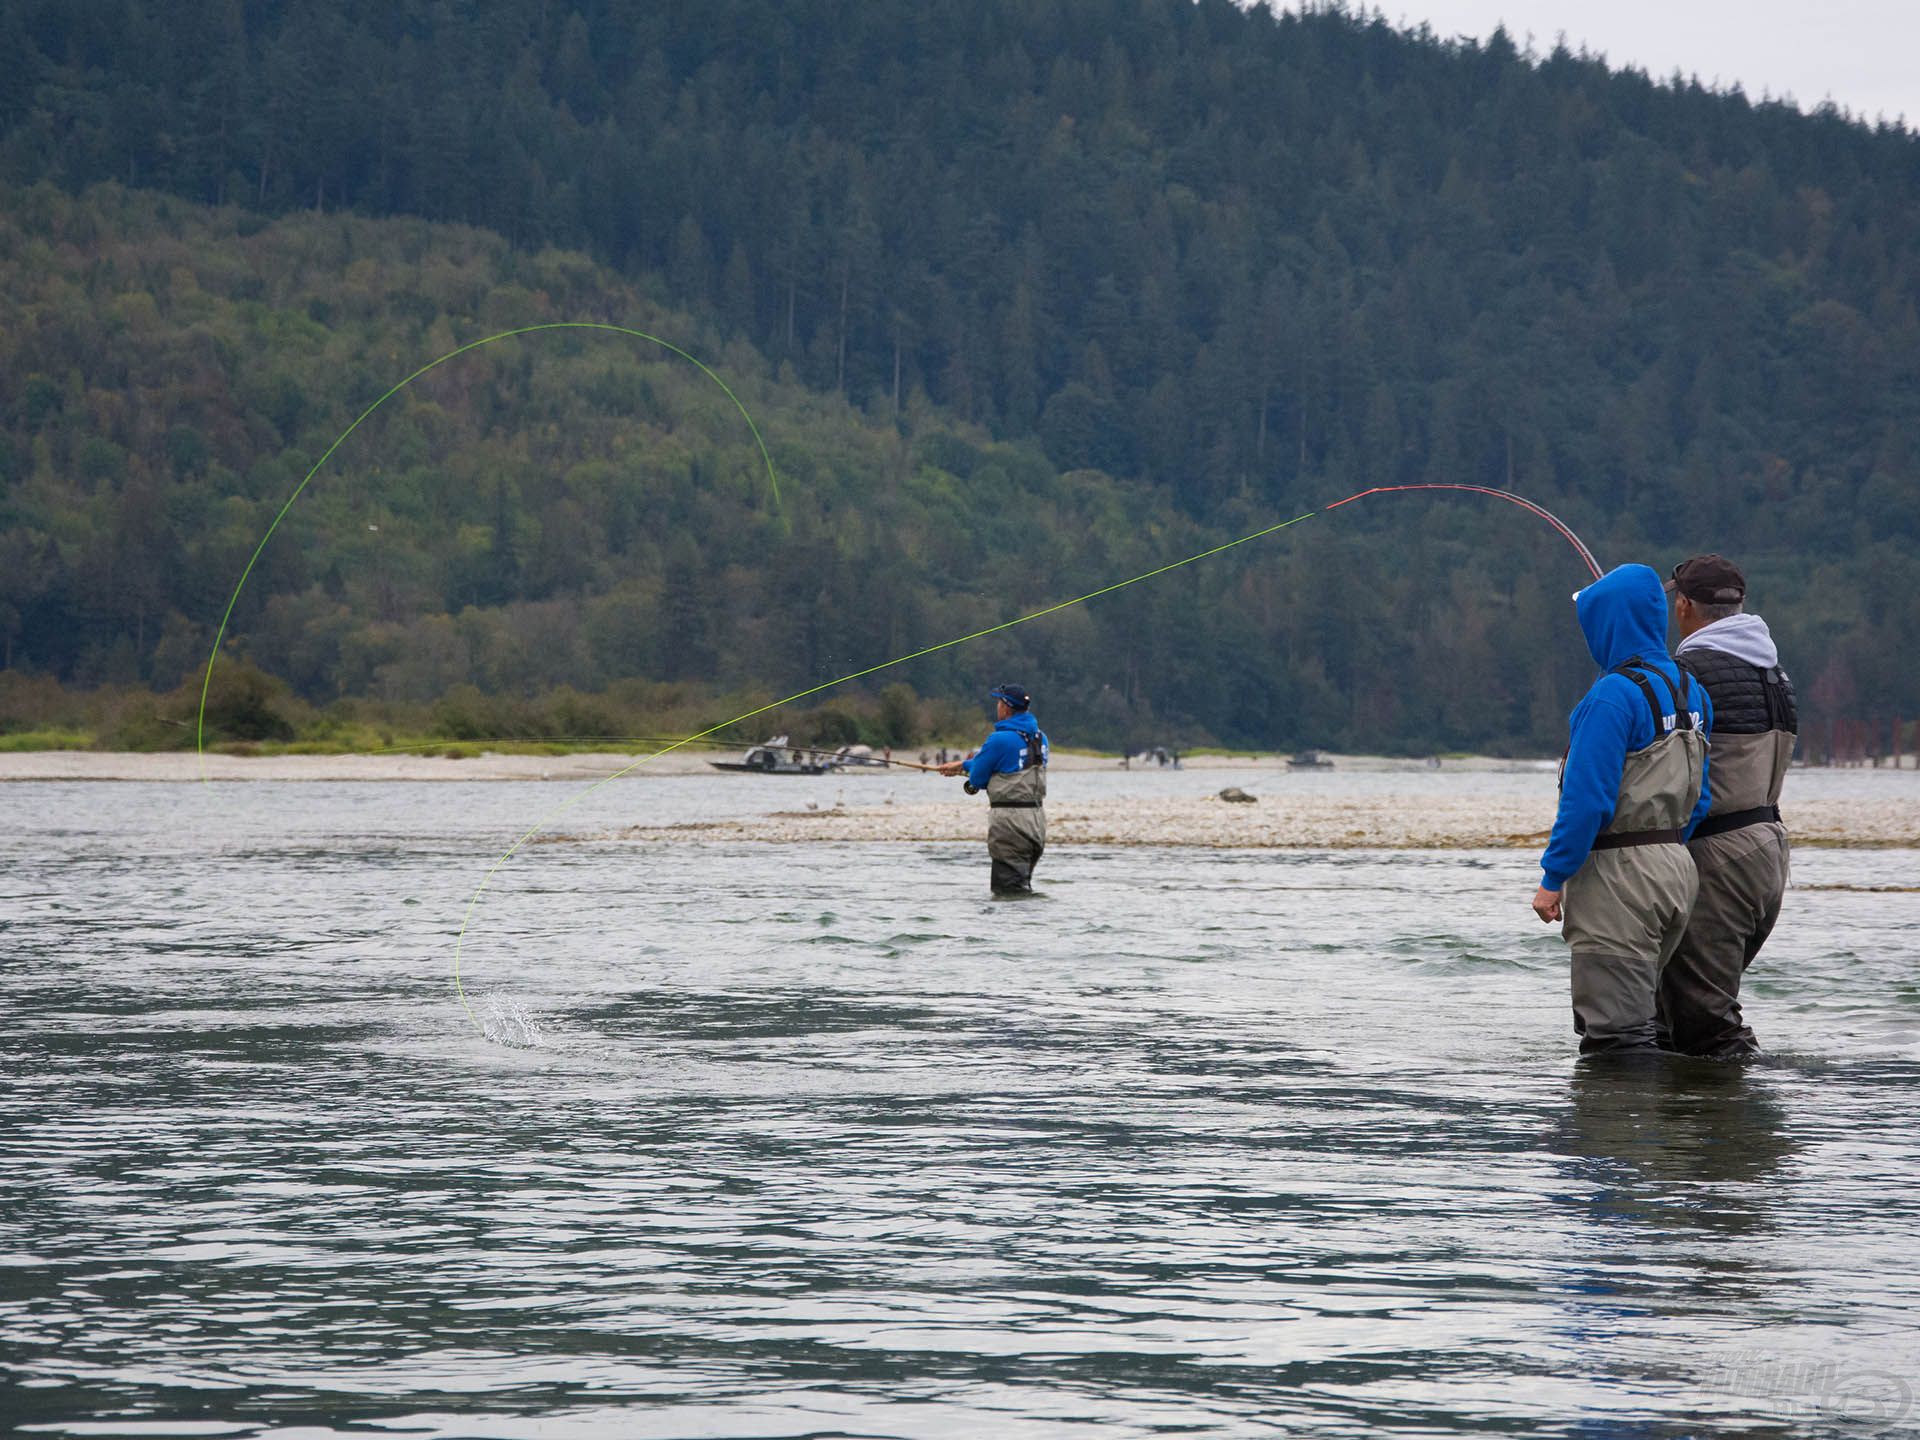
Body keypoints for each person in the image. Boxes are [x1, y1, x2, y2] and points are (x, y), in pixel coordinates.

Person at [1532, 564, 1713, 1055]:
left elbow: (1587, 801)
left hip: (1620, 877)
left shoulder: (1611, 696)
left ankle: (1613, 1132)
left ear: (1607, 624)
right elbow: (1703, 798)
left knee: (1616, 1041)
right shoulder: (1691, 689)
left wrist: (1553, 878)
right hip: (1676, 869)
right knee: (1646, 1026)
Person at [1659, 554, 1797, 1057]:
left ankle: (1752, 1120)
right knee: (1678, 1016)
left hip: (1719, 856)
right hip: (1770, 853)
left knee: (1704, 1022)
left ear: (1685, 606)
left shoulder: (1689, 672)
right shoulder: (1774, 672)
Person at [938, 683, 1049, 895]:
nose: (997, 706)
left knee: (1007, 893)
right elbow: (1009, 765)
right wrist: (963, 765)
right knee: (1022, 888)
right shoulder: (1040, 738)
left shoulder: (998, 739)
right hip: (1036, 822)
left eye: (998, 702)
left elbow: (978, 779)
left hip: (1010, 823)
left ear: (1006, 708)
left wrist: (966, 768)